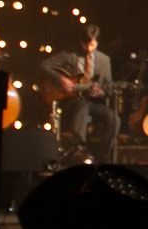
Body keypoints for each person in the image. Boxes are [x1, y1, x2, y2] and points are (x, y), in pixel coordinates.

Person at [41, 24, 116, 162]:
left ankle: (101, 155)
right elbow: (44, 65)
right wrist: (61, 79)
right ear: (80, 42)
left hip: (94, 102)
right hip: (72, 101)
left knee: (113, 118)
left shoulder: (104, 60)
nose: (88, 48)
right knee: (82, 106)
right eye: (85, 44)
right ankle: (79, 150)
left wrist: (101, 92)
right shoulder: (69, 55)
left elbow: (109, 87)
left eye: (92, 45)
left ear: (97, 42)